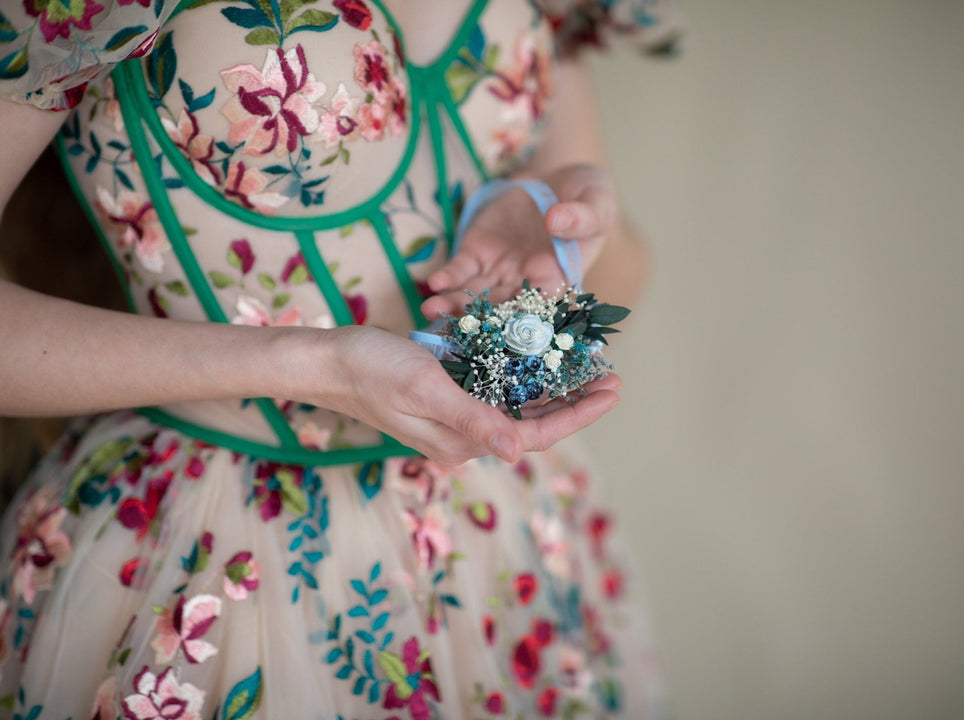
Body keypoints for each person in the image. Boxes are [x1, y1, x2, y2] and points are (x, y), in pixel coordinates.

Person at [0, 0, 679, 716]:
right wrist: (315, 364)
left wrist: (571, 234)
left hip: (498, 537)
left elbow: (618, 276)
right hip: (216, 555)